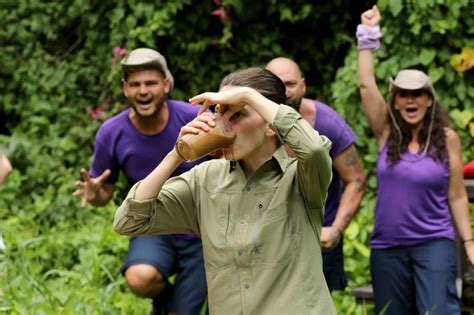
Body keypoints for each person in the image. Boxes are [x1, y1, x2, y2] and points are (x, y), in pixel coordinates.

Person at [114, 67, 338, 314]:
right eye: (220, 113)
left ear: (271, 127)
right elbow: (128, 221)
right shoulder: (206, 180)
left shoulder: (301, 174)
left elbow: (314, 149)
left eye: (237, 114)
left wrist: (250, 96)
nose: (223, 125)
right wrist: (176, 154)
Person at [357, 6, 474, 315]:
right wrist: (368, 34)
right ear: (395, 100)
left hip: (434, 244)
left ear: (429, 99)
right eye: (403, 94)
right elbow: (367, 85)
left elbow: (458, 195)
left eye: (418, 93)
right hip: (387, 248)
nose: (411, 99)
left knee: (439, 312)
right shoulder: (386, 132)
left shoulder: (447, 138)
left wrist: (470, 242)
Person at [73, 48, 208, 315]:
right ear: (125, 89)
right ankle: (167, 302)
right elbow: (105, 196)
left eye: (150, 83)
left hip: (202, 229)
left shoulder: (192, 118)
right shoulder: (112, 132)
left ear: (166, 85)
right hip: (153, 225)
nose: (142, 91)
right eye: (135, 84)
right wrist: (95, 194)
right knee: (139, 278)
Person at [266, 57, 366, 292]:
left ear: (303, 85)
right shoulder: (251, 123)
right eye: (276, 84)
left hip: (318, 237)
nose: (284, 92)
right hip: (269, 237)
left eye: (290, 84)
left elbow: (356, 180)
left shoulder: (327, 123)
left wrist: (336, 230)